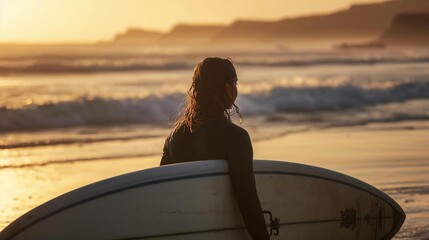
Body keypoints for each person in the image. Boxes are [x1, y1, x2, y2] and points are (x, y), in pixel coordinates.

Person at [160, 57, 270, 240]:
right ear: (226, 87)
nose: (235, 89)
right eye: (234, 83)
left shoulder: (174, 137)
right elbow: (247, 199)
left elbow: (164, 192)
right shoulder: (236, 138)